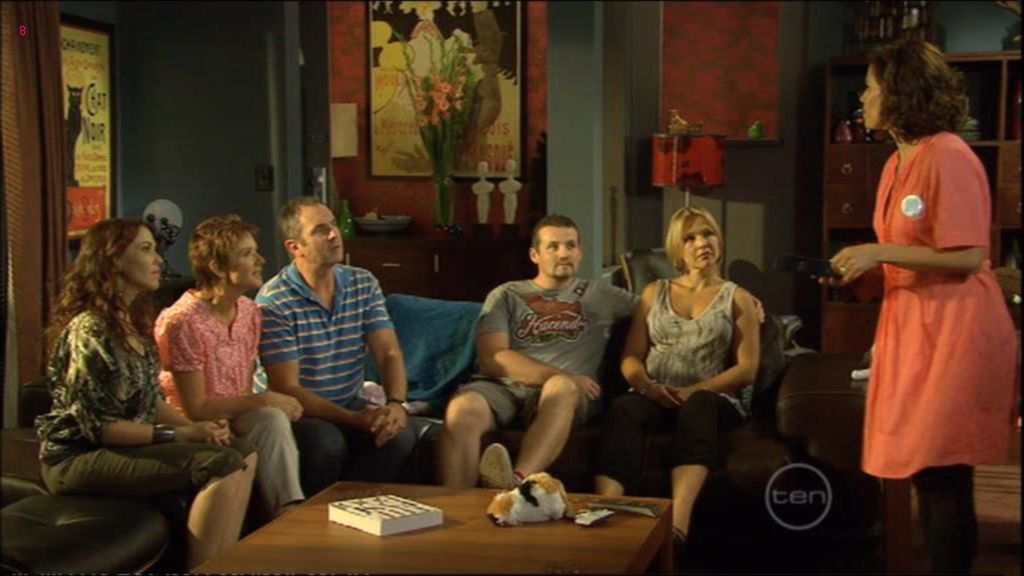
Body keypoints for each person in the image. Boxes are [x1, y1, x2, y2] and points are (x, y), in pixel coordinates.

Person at [824, 39, 1017, 574]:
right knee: (926, 468)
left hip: (954, 328)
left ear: (901, 92)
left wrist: (879, 252)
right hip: (914, 325)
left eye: (871, 88)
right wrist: (862, 270)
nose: (862, 98)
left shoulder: (948, 155)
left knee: (942, 468)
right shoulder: (895, 162)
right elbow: (910, 251)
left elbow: (968, 255)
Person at [34, 219, 257, 569]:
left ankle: (225, 561)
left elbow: (151, 402)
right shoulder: (91, 329)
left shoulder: (132, 323)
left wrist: (197, 428)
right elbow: (101, 429)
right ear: (113, 260)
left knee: (242, 450)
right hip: (79, 457)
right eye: (146, 249)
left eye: (155, 250)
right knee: (221, 464)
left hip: (124, 445)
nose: (158, 260)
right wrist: (179, 434)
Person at [593, 206, 761, 556]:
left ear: (720, 240)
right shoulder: (654, 292)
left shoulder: (738, 297)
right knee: (624, 407)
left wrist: (691, 391)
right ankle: (603, 511)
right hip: (655, 392)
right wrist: (646, 386)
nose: (702, 243)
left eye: (708, 234)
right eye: (690, 238)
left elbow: (747, 369)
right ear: (677, 249)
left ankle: (677, 527)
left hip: (711, 398)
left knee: (698, 406)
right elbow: (631, 356)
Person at [437, 214, 638, 490]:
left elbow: (661, 308)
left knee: (562, 386)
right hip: (502, 387)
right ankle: (457, 504)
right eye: (553, 246)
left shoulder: (604, 296)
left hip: (565, 393)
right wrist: (557, 374)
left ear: (580, 253)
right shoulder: (507, 294)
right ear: (535, 255)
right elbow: (493, 357)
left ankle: (512, 484)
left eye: (570, 246)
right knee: (463, 407)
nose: (563, 253)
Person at [256, 196, 417, 497]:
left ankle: (355, 507)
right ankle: (314, 517)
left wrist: (396, 403)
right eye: (320, 230)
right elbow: (287, 388)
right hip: (297, 411)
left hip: (348, 400)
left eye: (332, 225)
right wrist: (355, 420)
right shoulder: (274, 301)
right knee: (326, 442)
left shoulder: (362, 282)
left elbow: (388, 352)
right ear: (295, 247)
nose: (334, 234)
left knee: (400, 434)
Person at [155, 215, 305, 519]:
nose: (261, 260)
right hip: (191, 422)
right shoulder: (184, 321)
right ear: (218, 267)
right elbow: (196, 408)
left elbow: (244, 386)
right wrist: (263, 399)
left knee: (272, 419)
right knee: (268, 409)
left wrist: (261, 403)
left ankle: (289, 510)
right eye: (248, 254)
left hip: (234, 413)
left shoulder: (249, 311)